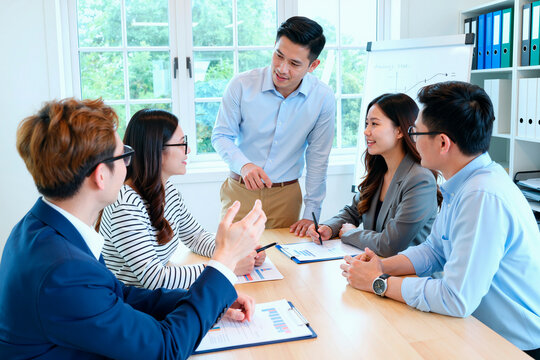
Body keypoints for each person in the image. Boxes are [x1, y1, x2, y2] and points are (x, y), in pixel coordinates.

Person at [0, 98, 266, 359]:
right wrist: (223, 265)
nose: (129, 164)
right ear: (100, 176)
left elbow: (117, 294)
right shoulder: (64, 270)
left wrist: (211, 300)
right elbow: (165, 350)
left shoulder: (37, 228)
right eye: (124, 155)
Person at [340, 81, 540, 357]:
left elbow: (455, 298)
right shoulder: (463, 183)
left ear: (443, 142)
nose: (413, 138)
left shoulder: (482, 196)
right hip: (476, 328)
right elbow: (435, 250)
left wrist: (379, 283)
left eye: (417, 131)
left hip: (510, 345)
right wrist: (381, 265)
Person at [99, 109, 266, 290]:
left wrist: (236, 251)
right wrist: (224, 266)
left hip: (155, 298)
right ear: (156, 150)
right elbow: (154, 279)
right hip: (133, 305)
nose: (188, 150)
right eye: (181, 144)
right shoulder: (126, 205)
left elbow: (196, 237)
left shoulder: (167, 190)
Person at [211, 16, 335, 236]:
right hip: (240, 191)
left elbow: (318, 158)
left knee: (284, 263)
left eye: (295, 63)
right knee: (233, 261)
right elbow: (221, 135)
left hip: (286, 196)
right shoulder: (241, 85)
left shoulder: (323, 98)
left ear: (313, 65)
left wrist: (311, 212)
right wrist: (245, 165)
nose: (282, 68)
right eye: (279, 55)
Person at [306, 93, 441, 257]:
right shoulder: (380, 170)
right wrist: (328, 228)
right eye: (366, 124)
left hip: (410, 276)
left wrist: (350, 233)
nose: (366, 131)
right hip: (377, 268)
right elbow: (353, 212)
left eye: (374, 124)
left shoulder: (420, 179)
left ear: (399, 131)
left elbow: (390, 244)